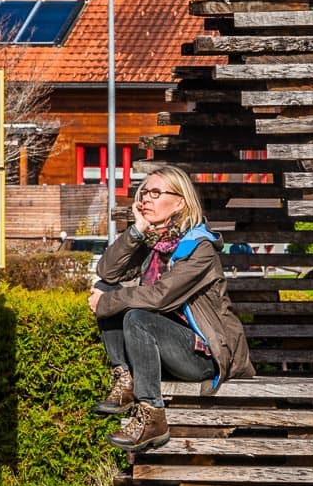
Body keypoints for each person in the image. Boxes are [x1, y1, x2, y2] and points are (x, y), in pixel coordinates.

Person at [87, 165, 254, 452]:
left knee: (135, 314)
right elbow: (107, 271)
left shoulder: (199, 248)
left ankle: (151, 414)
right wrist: (136, 230)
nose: (145, 199)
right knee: (107, 287)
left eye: (156, 193)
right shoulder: (153, 242)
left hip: (203, 355)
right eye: (144, 192)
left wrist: (106, 303)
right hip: (165, 345)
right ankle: (125, 377)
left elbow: (160, 297)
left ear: (179, 203)